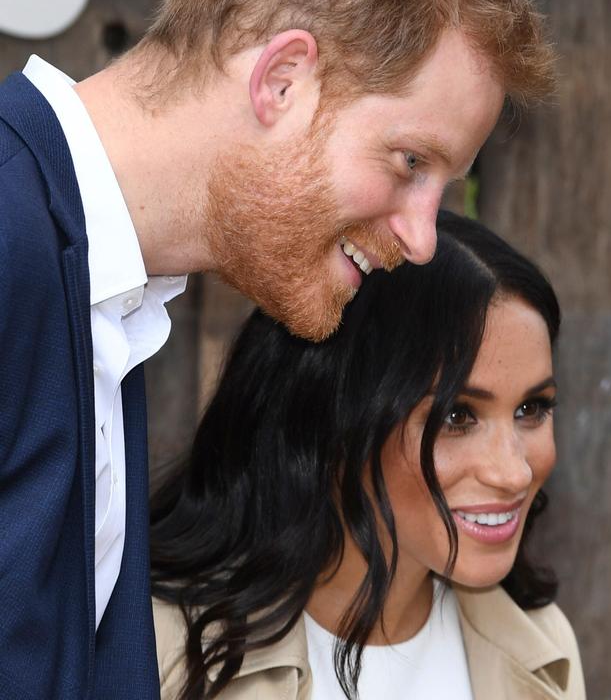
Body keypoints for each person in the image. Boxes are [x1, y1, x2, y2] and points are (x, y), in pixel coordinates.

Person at [0, 0, 555, 697]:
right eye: (410, 162)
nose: (422, 240)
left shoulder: (100, 295)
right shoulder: (15, 238)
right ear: (283, 81)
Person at [148, 212, 584, 700]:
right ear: (335, 417)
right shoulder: (160, 646)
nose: (514, 471)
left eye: (532, 408)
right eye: (456, 417)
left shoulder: (543, 646)